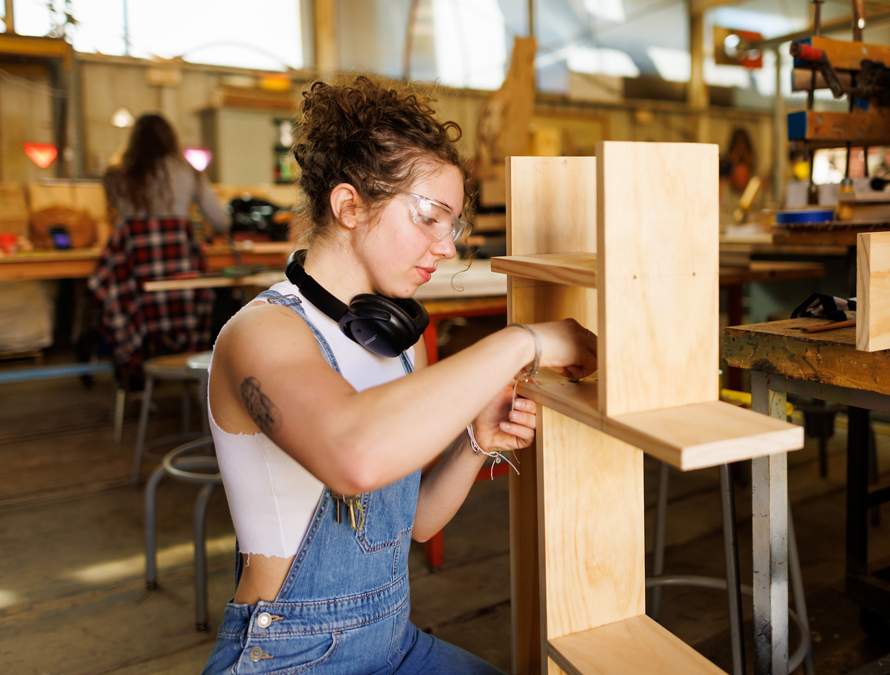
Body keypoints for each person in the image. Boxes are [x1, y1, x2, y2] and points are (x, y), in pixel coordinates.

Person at [201, 76, 597, 675]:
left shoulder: (397, 343)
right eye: (430, 218)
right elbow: (353, 457)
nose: (446, 247)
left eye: (454, 226)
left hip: (393, 639)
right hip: (291, 654)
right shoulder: (262, 334)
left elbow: (412, 525)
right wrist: (526, 338)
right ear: (350, 206)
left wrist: (473, 445)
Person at [88, 112, 231, 387]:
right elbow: (221, 221)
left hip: (137, 288)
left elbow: (113, 222)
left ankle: (134, 375)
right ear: (171, 139)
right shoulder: (188, 172)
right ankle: (195, 372)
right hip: (181, 287)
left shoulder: (116, 176)